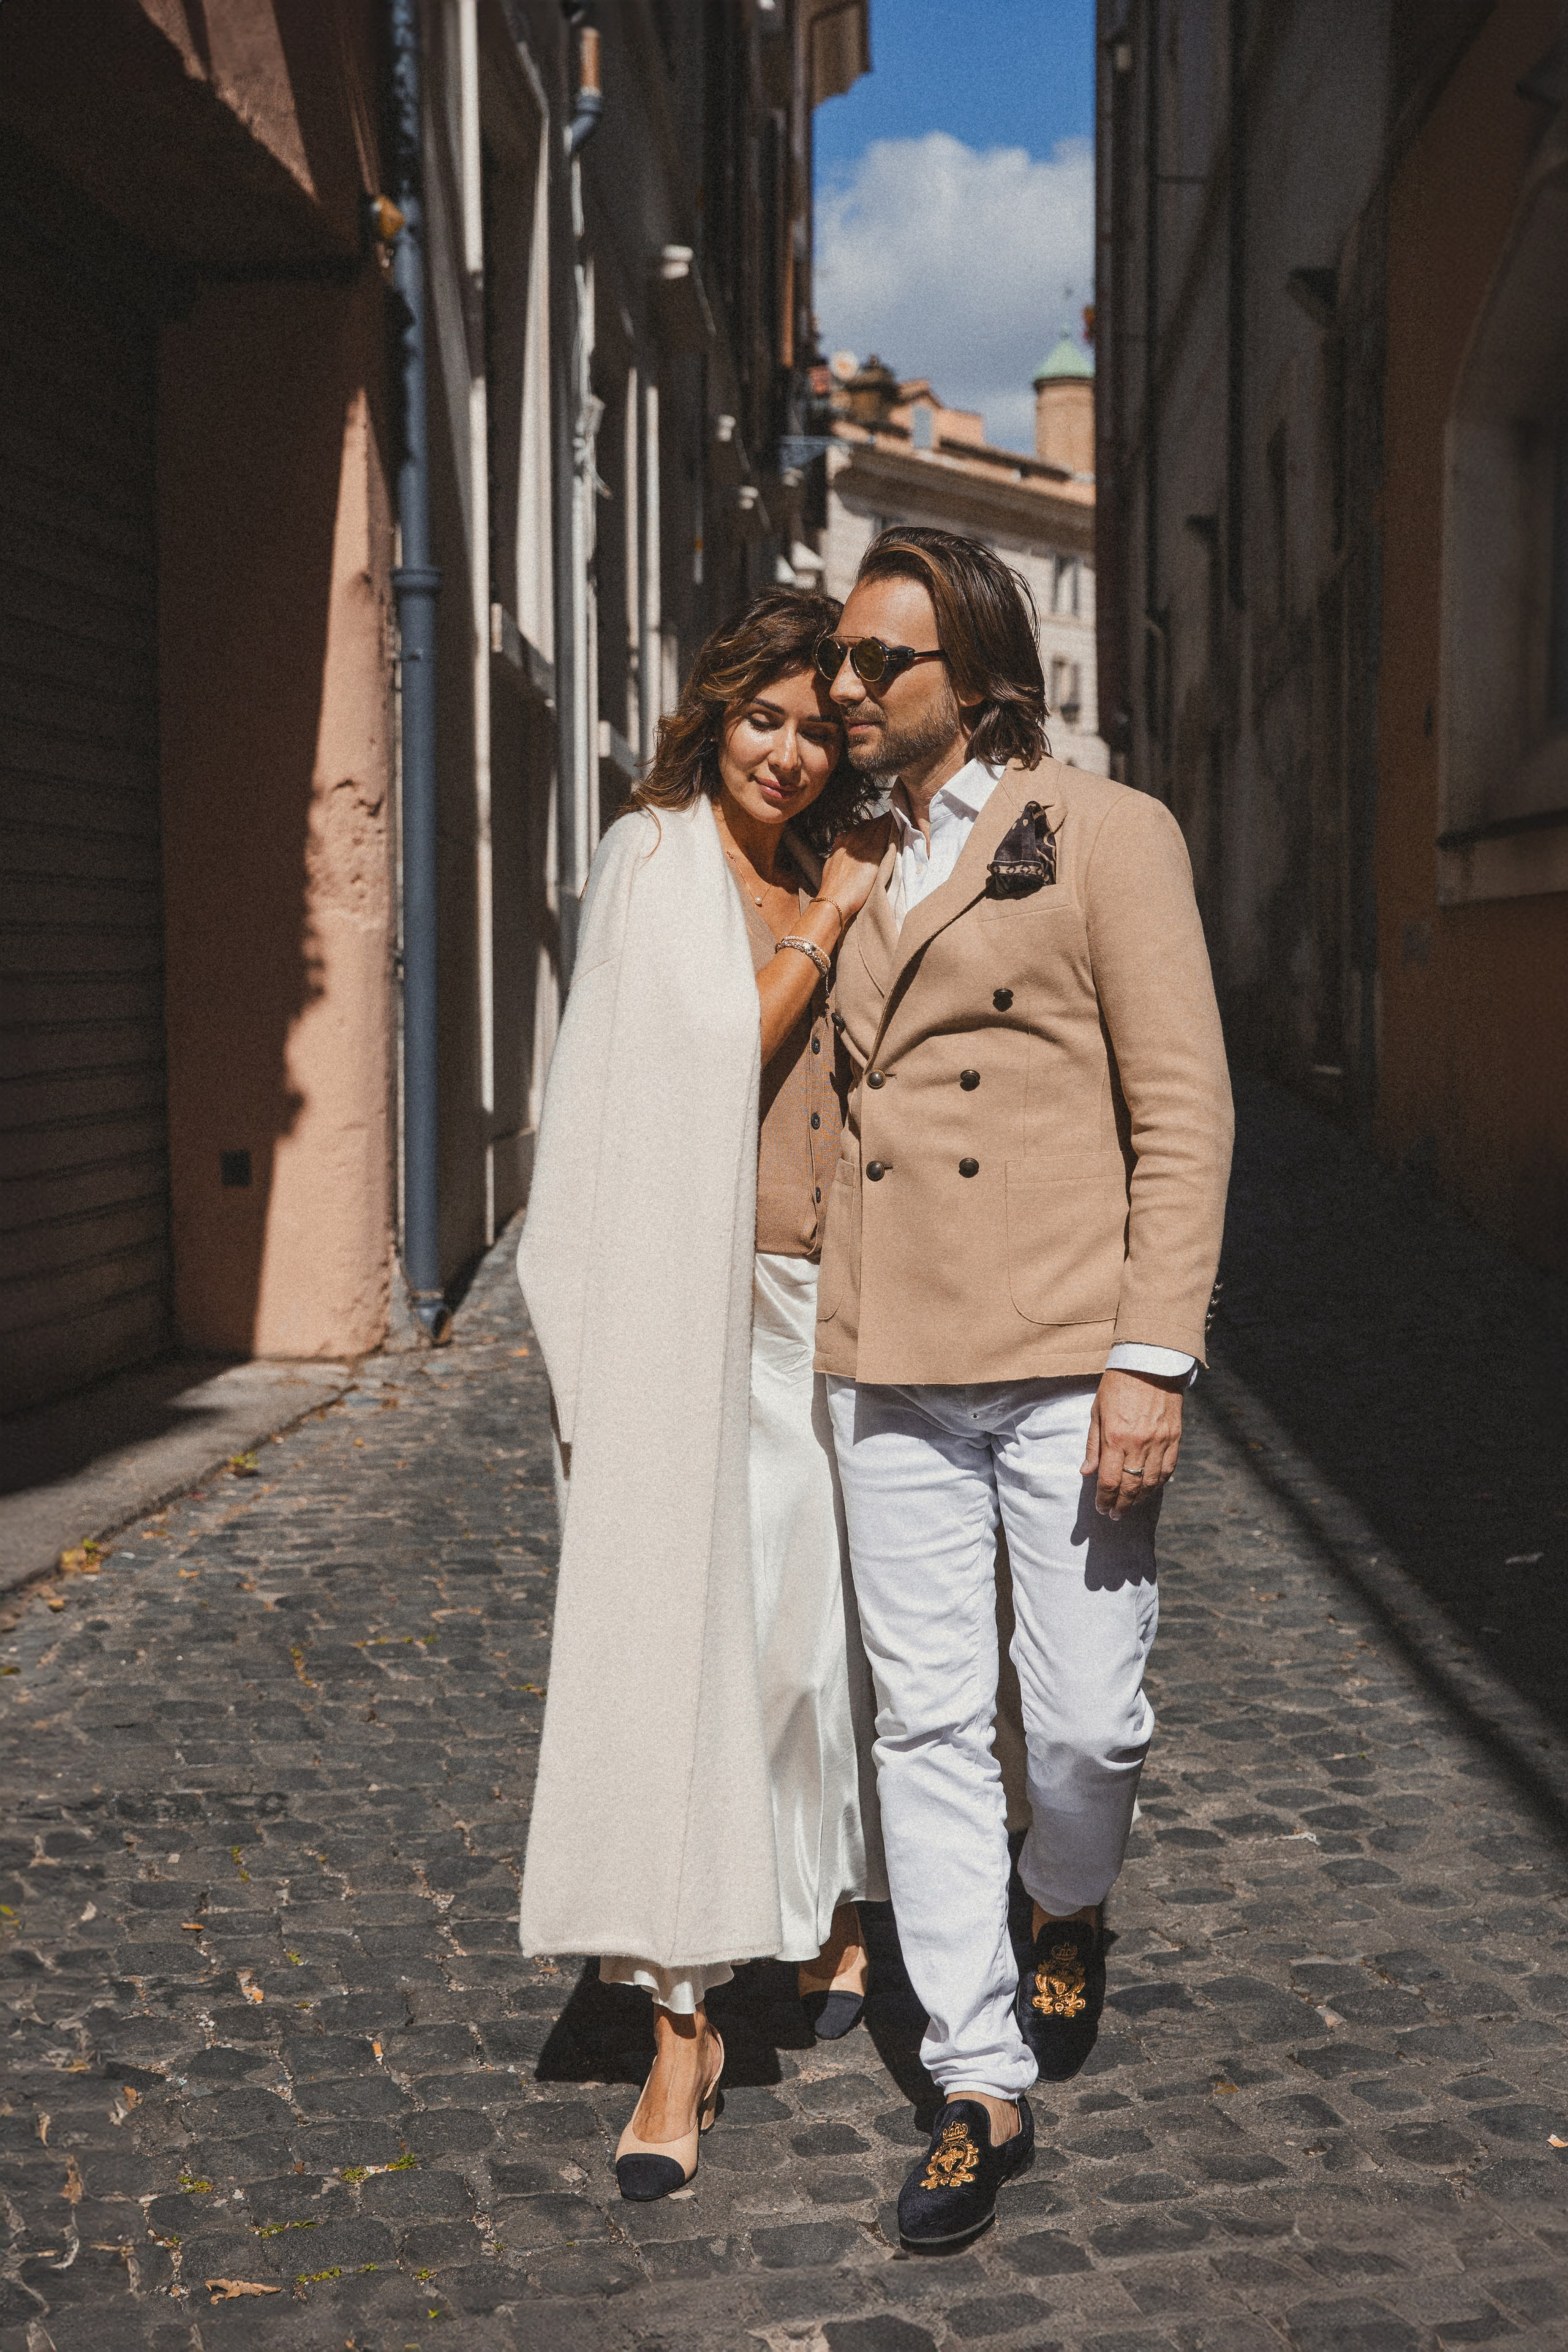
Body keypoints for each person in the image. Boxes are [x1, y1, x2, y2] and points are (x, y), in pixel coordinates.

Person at [814, 527, 1233, 2248]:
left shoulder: (1109, 836)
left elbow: (1186, 1108)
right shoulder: (851, 861)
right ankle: (978, 2081)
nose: (841, 690)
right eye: (838, 661)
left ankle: (1068, 1903)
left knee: (1080, 1725)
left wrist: (1155, 1356)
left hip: (1070, 1353)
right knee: (922, 1721)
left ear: (974, 678)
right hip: (891, 1351)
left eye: (876, 665)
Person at [516, 589, 891, 2206]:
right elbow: (687, 1068)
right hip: (688, 1312)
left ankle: (813, 1905)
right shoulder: (656, 858)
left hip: (820, 1301)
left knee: (811, 1634)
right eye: (766, 719)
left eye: (818, 729)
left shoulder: (827, 860)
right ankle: (681, 2022)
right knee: (697, 1649)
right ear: (714, 712)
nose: (791, 755)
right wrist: (827, 924)